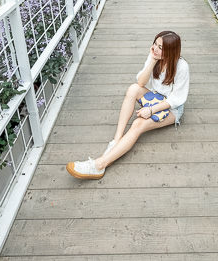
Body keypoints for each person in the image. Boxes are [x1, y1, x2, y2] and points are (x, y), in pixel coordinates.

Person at [66, 30, 189, 179]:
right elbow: (141, 82)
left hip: (172, 109)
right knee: (133, 89)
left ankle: (99, 166)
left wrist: (150, 110)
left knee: (138, 124)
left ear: (171, 51)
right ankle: (117, 140)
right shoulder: (155, 56)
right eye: (155, 44)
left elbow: (176, 99)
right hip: (155, 97)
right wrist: (152, 60)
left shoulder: (181, 67)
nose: (155, 49)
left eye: (161, 47)